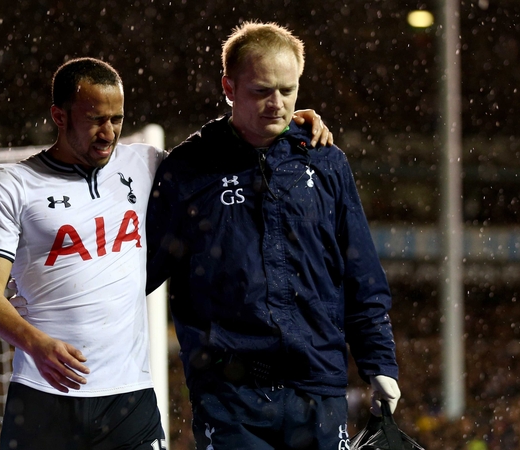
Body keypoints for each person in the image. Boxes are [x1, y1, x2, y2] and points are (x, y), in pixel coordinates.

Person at [0, 57, 332, 450]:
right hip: (43, 399)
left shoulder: (144, 163)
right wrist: (37, 345)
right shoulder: (13, 185)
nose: (108, 133)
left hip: (129, 401)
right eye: (95, 119)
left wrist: (281, 123)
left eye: (117, 119)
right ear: (59, 115)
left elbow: (222, 147)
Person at [145, 22, 401, 450]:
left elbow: (362, 276)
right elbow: (141, 272)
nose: (277, 104)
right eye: (261, 90)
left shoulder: (327, 163)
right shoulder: (186, 171)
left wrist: (380, 362)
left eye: (288, 90)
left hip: (319, 390)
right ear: (228, 86)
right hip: (228, 396)